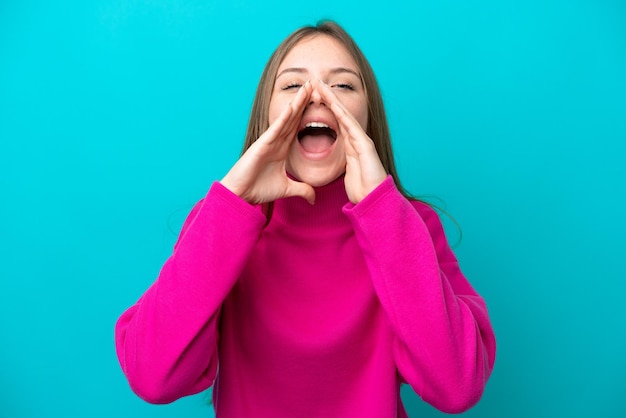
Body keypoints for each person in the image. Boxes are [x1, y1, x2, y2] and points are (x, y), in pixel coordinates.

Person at [115, 20, 496, 418]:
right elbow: (152, 376)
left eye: (343, 86)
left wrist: (383, 213)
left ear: (369, 116)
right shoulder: (219, 222)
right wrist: (229, 206)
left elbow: (458, 386)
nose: (316, 98)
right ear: (266, 115)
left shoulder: (409, 224)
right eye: (293, 86)